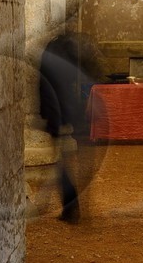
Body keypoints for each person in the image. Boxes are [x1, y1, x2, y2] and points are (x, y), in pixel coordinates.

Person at [37, 28, 102, 223]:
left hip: (58, 112)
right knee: (70, 162)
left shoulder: (53, 50)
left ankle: (72, 206)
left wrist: (49, 116)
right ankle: (74, 206)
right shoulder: (67, 50)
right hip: (68, 110)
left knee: (63, 163)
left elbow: (47, 86)